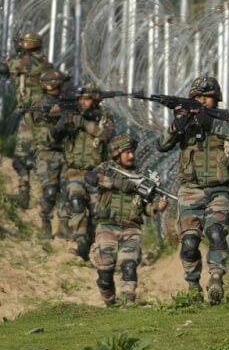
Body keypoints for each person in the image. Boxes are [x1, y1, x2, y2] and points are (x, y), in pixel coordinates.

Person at [156, 76, 229, 305]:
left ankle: (216, 277)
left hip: (218, 190)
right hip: (190, 191)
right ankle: (193, 284)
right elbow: (162, 145)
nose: (202, 100)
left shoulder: (223, 121)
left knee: (216, 233)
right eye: (197, 97)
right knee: (189, 244)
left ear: (215, 98)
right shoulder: (185, 123)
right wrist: (178, 123)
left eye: (206, 97)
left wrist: (210, 123)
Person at [86, 134, 168, 306]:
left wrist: (156, 207)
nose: (131, 156)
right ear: (117, 154)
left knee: (129, 266)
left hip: (131, 229)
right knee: (105, 273)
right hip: (107, 227)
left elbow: (144, 207)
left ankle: (128, 302)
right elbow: (91, 178)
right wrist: (119, 183)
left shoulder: (141, 177)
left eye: (132, 152)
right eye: (127, 152)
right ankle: (110, 302)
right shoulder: (107, 168)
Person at [50, 83, 117, 260]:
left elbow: (108, 136)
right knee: (76, 201)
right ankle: (80, 242)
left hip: (96, 172)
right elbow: (53, 138)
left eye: (86, 99)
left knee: (97, 212)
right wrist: (62, 123)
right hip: (74, 171)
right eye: (80, 99)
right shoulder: (72, 114)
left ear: (94, 99)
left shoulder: (104, 116)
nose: (83, 102)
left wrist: (85, 124)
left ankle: (90, 244)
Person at [0, 32, 53, 209]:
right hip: (28, 115)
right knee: (20, 159)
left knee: (40, 159)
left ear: (30, 45)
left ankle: (51, 199)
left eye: (22, 42)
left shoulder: (35, 61)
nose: (19, 44)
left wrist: (6, 63)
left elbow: (5, 68)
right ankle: (23, 195)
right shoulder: (30, 60)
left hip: (39, 118)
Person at [31, 68, 70, 240]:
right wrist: (58, 121)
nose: (62, 89)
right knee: (50, 191)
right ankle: (45, 223)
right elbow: (42, 133)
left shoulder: (66, 102)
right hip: (47, 155)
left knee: (66, 191)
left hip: (66, 154)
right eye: (59, 85)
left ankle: (64, 226)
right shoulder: (40, 105)